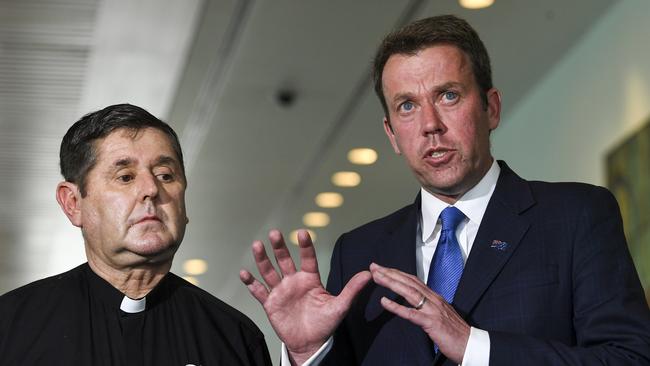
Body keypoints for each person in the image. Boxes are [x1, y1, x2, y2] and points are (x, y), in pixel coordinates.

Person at [240, 15, 650, 365]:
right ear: (392, 135)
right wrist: (307, 351)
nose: (430, 124)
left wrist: (473, 346)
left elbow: (629, 358)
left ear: (491, 108)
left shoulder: (576, 215)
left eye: (448, 95)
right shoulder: (359, 254)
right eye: (407, 106)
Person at [0, 104, 272, 366]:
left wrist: (306, 352)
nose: (151, 189)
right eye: (126, 177)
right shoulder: (11, 325)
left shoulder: (233, 336)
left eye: (165, 175)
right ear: (73, 203)